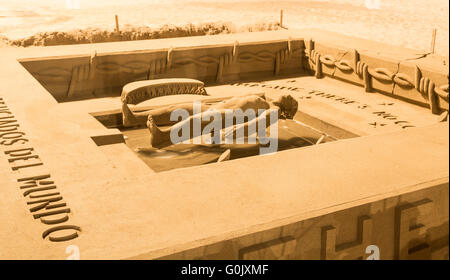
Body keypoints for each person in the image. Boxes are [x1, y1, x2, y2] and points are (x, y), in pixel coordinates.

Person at [145, 93, 298, 148]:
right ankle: (135, 118)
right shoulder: (264, 100)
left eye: (291, 100)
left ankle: (161, 138)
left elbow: (258, 123)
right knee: (177, 108)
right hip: (217, 107)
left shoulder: (274, 110)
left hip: (229, 115)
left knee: (194, 121)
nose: (289, 96)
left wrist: (233, 133)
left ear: (287, 109)